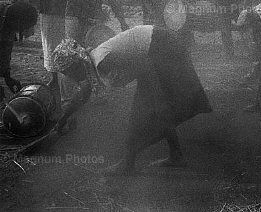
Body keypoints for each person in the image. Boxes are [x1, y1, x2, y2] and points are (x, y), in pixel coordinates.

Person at [50, 25, 212, 175]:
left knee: (143, 111)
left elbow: (145, 65)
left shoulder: (103, 61)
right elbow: (83, 94)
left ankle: (127, 163)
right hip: (160, 44)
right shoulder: (93, 61)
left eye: (69, 73)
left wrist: (158, 97)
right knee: (155, 108)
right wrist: (63, 119)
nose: (71, 78)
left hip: (161, 46)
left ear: (77, 65)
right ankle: (175, 155)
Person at [0, 0, 38, 94]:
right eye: (22, 29)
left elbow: (5, 50)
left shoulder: (10, 18)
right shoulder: (9, 17)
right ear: (17, 23)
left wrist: (7, 77)